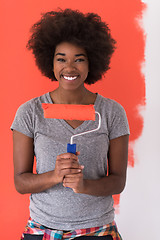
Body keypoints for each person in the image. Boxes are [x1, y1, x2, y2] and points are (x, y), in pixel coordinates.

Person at [11, 9, 130, 240]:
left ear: (92, 62)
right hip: (42, 229)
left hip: (97, 231)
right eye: (61, 58)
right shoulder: (29, 112)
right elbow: (20, 182)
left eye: (79, 59)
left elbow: (118, 181)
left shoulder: (112, 112)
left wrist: (84, 185)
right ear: (50, 61)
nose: (70, 67)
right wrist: (55, 175)